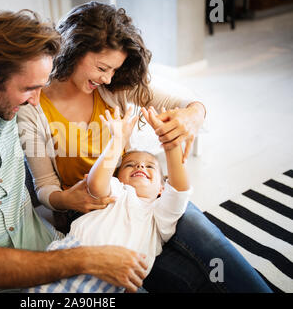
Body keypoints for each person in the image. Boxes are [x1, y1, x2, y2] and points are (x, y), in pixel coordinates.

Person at [17, 1, 272, 292]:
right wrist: (67, 200)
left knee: (209, 240)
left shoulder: (115, 85)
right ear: (73, 50)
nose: (108, 78)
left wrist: (192, 116)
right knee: (189, 278)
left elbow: (187, 100)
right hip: (91, 209)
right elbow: (44, 186)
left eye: (114, 69)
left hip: (137, 191)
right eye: (102, 67)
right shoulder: (34, 106)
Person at [0, 9, 148, 293]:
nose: (36, 102)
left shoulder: (2, 102)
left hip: (45, 245)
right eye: (30, 89)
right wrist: (84, 259)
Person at [27, 106, 192, 293]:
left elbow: (179, 189)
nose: (139, 165)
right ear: (118, 176)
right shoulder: (116, 189)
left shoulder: (159, 214)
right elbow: (96, 185)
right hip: (71, 255)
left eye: (150, 166)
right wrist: (117, 140)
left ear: (162, 188)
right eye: (130, 165)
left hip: (114, 283)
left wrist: (170, 143)